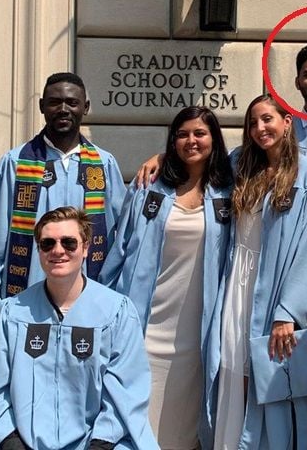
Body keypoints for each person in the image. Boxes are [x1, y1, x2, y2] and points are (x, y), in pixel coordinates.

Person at [0, 72, 126, 355]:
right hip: (26, 295)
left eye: (72, 102)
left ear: (85, 107)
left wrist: (113, 293)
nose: (63, 109)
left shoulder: (103, 165)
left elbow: (120, 236)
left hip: (86, 295)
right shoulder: (15, 163)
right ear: (42, 106)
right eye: (55, 102)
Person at [0, 206, 158, 450]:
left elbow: (126, 391)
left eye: (69, 243)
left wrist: (100, 444)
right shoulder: (12, 313)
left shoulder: (117, 312)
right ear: (39, 250)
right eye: (47, 244)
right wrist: (12, 443)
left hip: (96, 442)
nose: (58, 250)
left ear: (85, 248)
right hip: (24, 443)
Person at [99, 107, 234, 450]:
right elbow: (120, 248)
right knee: (138, 414)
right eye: (182, 134)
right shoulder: (150, 188)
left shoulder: (228, 192)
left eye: (200, 133)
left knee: (185, 424)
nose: (192, 141)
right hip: (148, 320)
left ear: (214, 139)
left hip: (197, 329)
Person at [211, 94, 307, 450]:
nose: (260, 128)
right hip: (238, 281)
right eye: (253, 122)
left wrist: (288, 310)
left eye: (267, 119)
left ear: (287, 122)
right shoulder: (240, 165)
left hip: (278, 288)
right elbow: (197, 164)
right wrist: (158, 158)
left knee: (271, 379)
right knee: (236, 370)